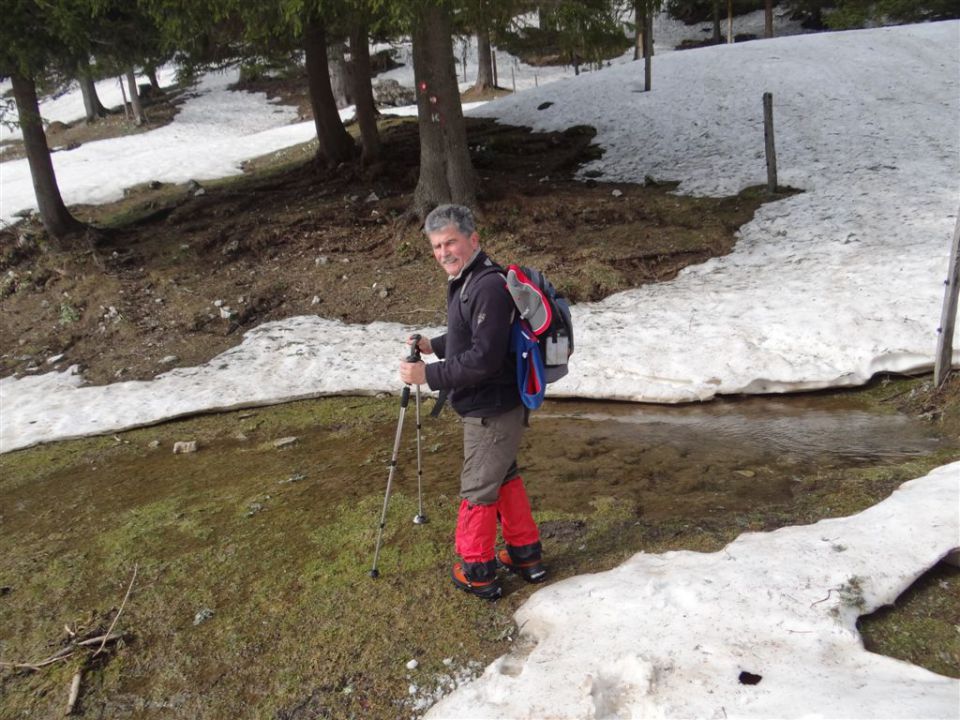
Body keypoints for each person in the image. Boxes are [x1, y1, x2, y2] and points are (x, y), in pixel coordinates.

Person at [399, 204, 546, 600]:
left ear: (473, 240)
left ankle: (477, 570)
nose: (444, 252)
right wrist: (435, 346)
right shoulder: (469, 279)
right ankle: (524, 555)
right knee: (504, 477)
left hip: (492, 409)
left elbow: (484, 359)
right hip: (494, 405)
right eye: (436, 245)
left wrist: (427, 375)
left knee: (478, 489)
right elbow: (473, 337)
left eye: (451, 242)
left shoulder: (485, 285)